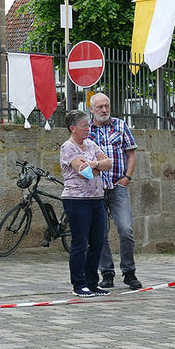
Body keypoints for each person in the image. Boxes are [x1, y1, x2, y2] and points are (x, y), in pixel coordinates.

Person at [88, 92, 142, 290]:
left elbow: (131, 154)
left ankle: (129, 272)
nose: (104, 110)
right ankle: (107, 273)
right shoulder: (87, 129)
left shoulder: (120, 125)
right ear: (92, 109)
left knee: (126, 229)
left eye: (106, 106)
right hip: (96, 189)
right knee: (100, 233)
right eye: (100, 107)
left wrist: (127, 178)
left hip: (118, 187)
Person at [60, 109, 112, 298]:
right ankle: (79, 283)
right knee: (80, 243)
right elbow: (85, 171)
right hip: (76, 200)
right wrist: (96, 165)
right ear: (73, 128)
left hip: (96, 199)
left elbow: (108, 163)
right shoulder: (68, 147)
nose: (87, 129)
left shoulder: (90, 143)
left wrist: (94, 164)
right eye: (84, 126)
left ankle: (92, 282)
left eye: (88, 125)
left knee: (97, 242)